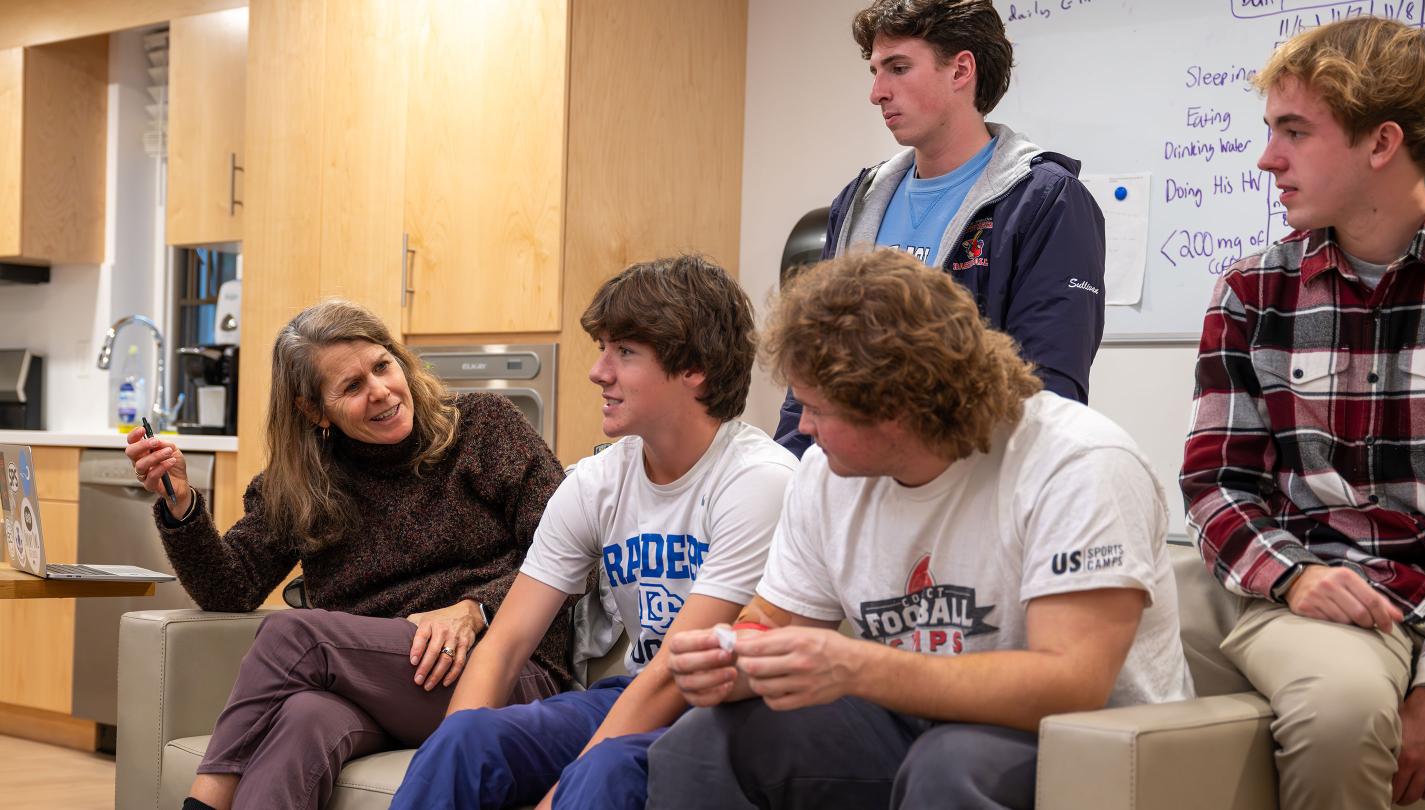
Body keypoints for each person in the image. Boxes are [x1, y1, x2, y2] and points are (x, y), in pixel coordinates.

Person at [650, 250, 1191, 810]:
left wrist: (857, 666)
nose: (803, 427)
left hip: (1093, 743)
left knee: (950, 764)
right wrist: (730, 662)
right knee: (701, 742)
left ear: (896, 409)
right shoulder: (824, 475)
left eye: (818, 409)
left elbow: (1071, 683)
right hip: (915, 724)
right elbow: (772, 621)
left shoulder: (1076, 463)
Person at [125, 300, 571, 810]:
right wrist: (181, 506)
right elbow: (229, 588)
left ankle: (203, 802)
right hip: (377, 685)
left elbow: (572, 552)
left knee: (293, 635)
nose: (380, 391)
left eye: (382, 366)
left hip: (502, 670)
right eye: (352, 387)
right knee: (304, 718)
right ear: (314, 410)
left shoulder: (485, 428)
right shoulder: (302, 483)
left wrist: (475, 609)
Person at [390, 255, 798, 810]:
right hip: (631, 692)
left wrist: (556, 797)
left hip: (726, 713)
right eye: (602, 348)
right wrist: (452, 746)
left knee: (605, 769)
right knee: (466, 740)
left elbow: (677, 670)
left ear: (694, 368)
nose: (598, 371)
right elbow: (505, 646)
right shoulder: (597, 481)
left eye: (624, 352)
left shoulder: (758, 482)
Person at [1180, 17, 1425, 810]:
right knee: (1082, 642)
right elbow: (1216, 485)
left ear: (1382, 142)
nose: (1268, 158)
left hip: (1408, 599)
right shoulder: (1252, 290)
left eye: (1294, 132)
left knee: (1340, 716)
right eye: (1271, 131)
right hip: (1279, 575)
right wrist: (1293, 576)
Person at [773, 0, 1107, 456]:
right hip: (852, 485)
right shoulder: (858, 200)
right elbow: (810, 378)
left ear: (961, 70)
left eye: (898, 68)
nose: (877, 92)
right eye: (875, 71)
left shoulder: (1046, 200)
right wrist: (792, 475)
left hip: (973, 481)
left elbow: (1048, 395)